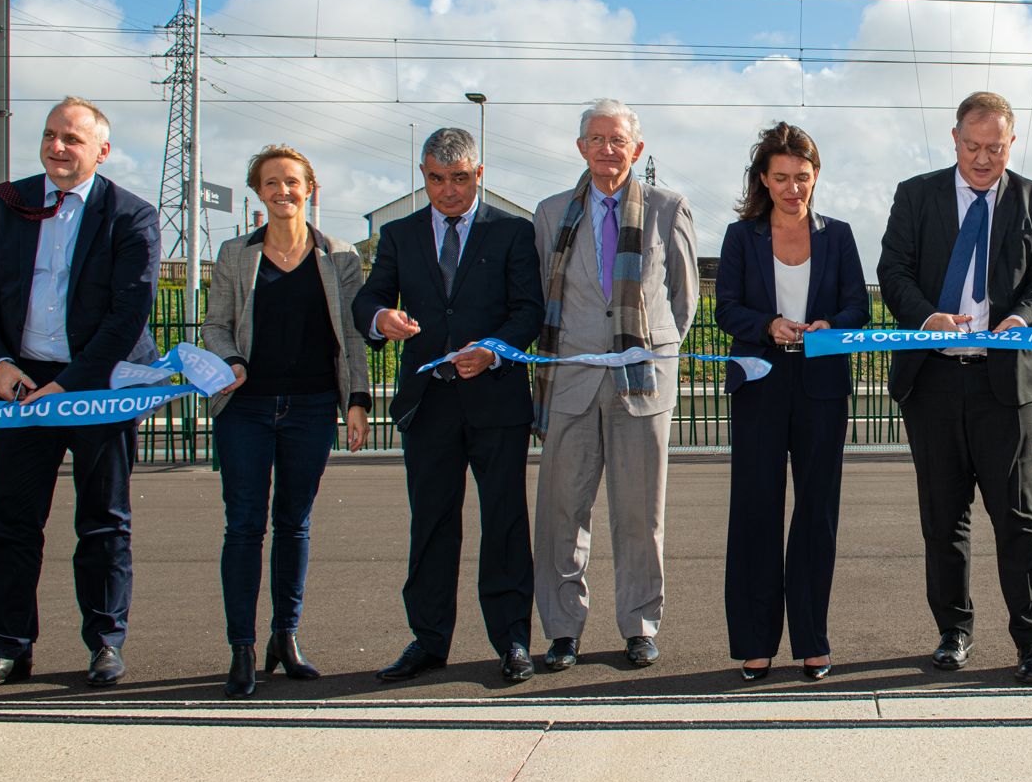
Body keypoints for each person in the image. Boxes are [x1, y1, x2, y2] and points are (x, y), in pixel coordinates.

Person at [0, 98, 161, 694]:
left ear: (102, 151)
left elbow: (128, 314)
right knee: (11, 522)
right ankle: (8, 647)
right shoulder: (7, 201)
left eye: (71, 138)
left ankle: (105, 642)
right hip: (20, 385)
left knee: (103, 521)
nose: (57, 147)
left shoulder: (132, 214)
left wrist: (66, 386)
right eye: (49, 135)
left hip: (97, 385)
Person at [878, 91, 1032, 683]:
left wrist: (1022, 318)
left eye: (996, 147)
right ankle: (953, 631)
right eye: (973, 146)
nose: (983, 159)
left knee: (1016, 517)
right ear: (954, 139)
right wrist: (925, 316)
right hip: (933, 380)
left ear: (1012, 143)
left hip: (1003, 385)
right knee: (943, 518)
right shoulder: (916, 195)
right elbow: (892, 270)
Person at [352, 126, 542, 683]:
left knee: (504, 522)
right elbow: (370, 297)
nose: (449, 190)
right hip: (428, 404)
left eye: (460, 178)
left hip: (497, 403)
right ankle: (429, 640)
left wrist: (492, 350)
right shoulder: (399, 234)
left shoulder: (513, 231)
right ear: (423, 176)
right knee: (432, 524)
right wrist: (381, 318)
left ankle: (512, 640)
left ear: (479, 174)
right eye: (437, 179)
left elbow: (528, 311)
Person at [531, 99, 698, 671]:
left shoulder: (667, 208)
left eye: (618, 140)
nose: (608, 149)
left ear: (637, 148)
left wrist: (652, 351)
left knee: (640, 516)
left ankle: (640, 625)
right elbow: (543, 292)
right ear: (581, 147)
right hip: (571, 381)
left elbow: (683, 299)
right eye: (597, 139)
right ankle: (562, 629)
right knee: (561, 513)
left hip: (642, 384)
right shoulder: (551, 213)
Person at [201, 145, 372, 697]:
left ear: (310, 188)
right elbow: (215, 326)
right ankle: (242, 647)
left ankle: (285, 636)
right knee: (244, 525)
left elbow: (353, 335)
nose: (283, 191)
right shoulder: (235, 254)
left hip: (312, 407)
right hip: (245, 408)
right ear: (258, 192)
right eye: (271, 182)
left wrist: (358, 400)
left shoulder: (339, 256)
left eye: (292, 181)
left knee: (294, 525)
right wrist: (231, 360)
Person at [714, 122, 869, 681]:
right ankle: (756, 642)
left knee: (816, 514)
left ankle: (812, 640)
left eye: (802, 177)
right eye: (780, 177)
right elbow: (725, 308)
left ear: (816, 176)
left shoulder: (839, 235)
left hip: (821, 386)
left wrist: (830, 326)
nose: (792, 188)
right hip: (759, 382)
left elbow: (858, 307)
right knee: (755, 510)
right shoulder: (740, 236)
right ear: (763, 179)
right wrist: (767, 325)